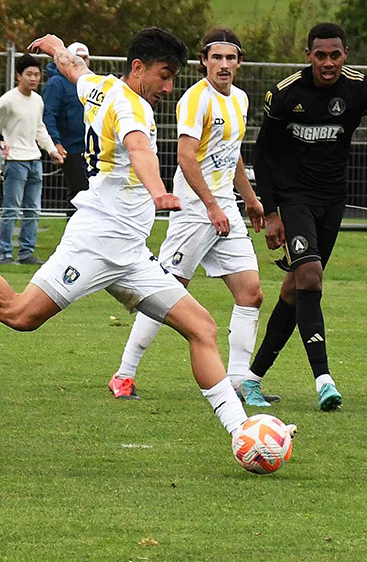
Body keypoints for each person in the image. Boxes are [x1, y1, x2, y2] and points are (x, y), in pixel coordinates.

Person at [0, 27, 275, 443]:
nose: (168, 87)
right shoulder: (132, 108)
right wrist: (159, 193)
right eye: (164, 76)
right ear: (138, 68)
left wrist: (56, 46)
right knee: (21, 315)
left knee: (201, 327)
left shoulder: (103, 88)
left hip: (130, 253)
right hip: (94, 241)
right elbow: (139, 150)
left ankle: (241, 432)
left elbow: (75, 69)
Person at [238, 22, 367, 411]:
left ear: (345, 55)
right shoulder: (284, 93)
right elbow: (263, 155)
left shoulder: (359, 87)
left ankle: (252, 380)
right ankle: (324, 381)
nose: (328, 63)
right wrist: (272, 212)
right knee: (310, 275)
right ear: (308, 55)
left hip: (332, 201)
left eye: (335, 55)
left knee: (297, 289)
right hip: (293, 199)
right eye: (320, 55)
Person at [108, 28, 268, 401]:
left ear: (239, 62)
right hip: (195, 210)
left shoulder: (240, 100)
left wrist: (250, 199)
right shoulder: (196, 99)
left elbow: (233, 154)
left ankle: (241, 380)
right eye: (216, 58)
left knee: (251, 293)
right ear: (204, 62)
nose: (224, 65)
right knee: (165, 292)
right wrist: (211, 206)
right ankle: (124, 374)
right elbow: (185, 157)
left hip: (224, 208)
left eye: (231, 58)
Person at [0, 54, 64, 265]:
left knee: (33, 209)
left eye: (36, 75)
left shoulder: (38, 100)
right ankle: (5, 254)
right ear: (18, 76)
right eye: (29, 74)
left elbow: (40, 129)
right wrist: (2, 147)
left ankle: (26, 252)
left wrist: (52, 151)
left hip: (35, 159)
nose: (33, 79)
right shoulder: (8, 100)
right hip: (15, 161)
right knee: (11, 209)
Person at [43, 41, 90, 207]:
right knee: (78, 193)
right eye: (79, 58)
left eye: (85, 58)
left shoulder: (89, 83)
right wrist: (56, 142)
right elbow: (48, 114)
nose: (83, 62)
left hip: (88, 148)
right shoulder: (56, 83)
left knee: (89, 194)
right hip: (70, 147)